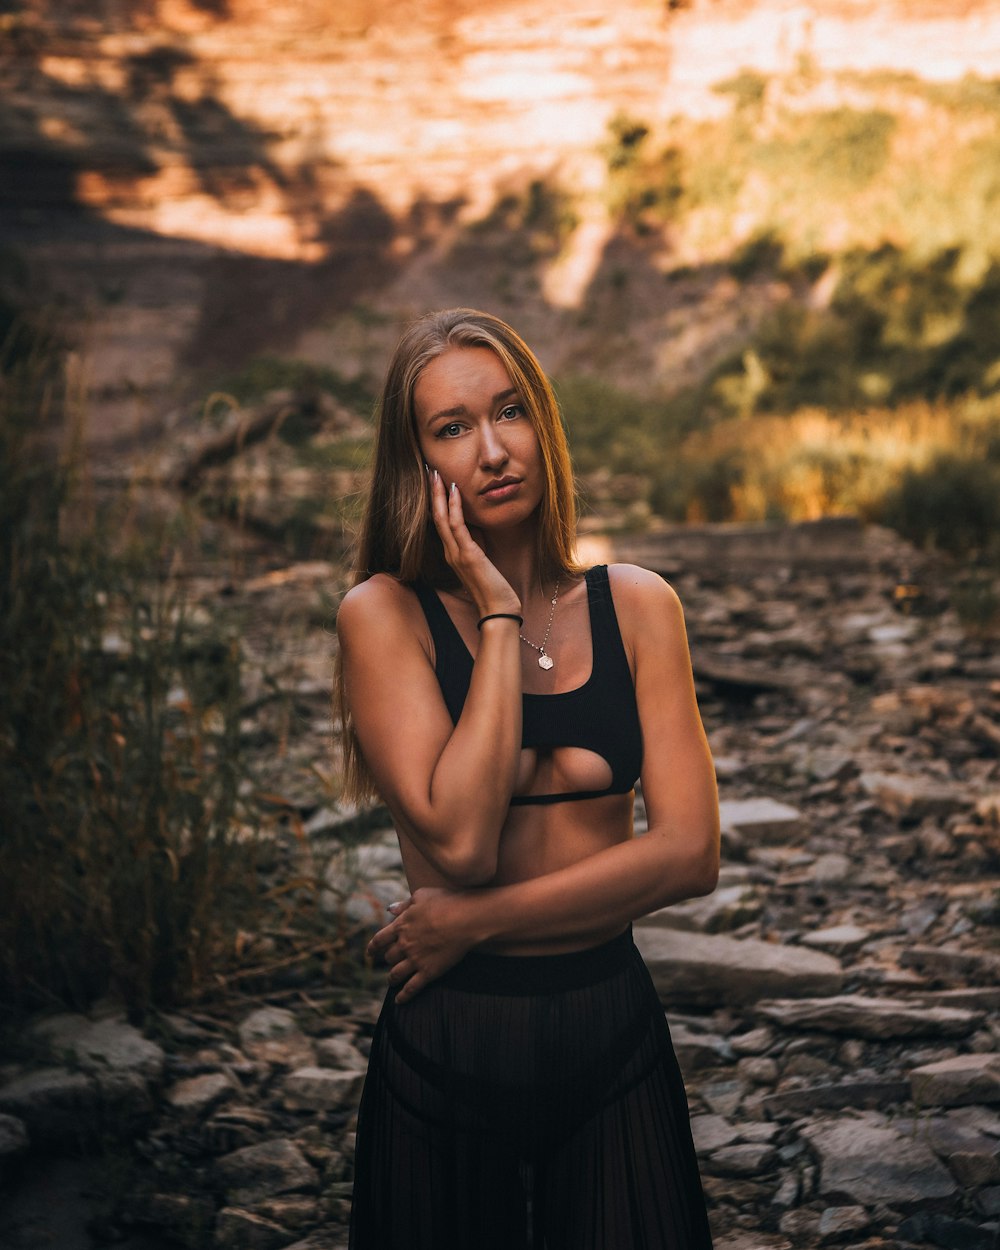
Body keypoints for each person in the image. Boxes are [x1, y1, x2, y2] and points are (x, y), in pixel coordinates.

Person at [335, 308, 719, 1250]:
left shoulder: (636, 605)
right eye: (453, 428)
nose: (494, 449)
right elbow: (462, 841)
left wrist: (475, 921)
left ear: (543, 425)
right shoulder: (384, 617)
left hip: (612, 1036)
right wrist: (500, 614)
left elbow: (689, 853)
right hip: (447, 1048)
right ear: (414, 460)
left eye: (510, 412)